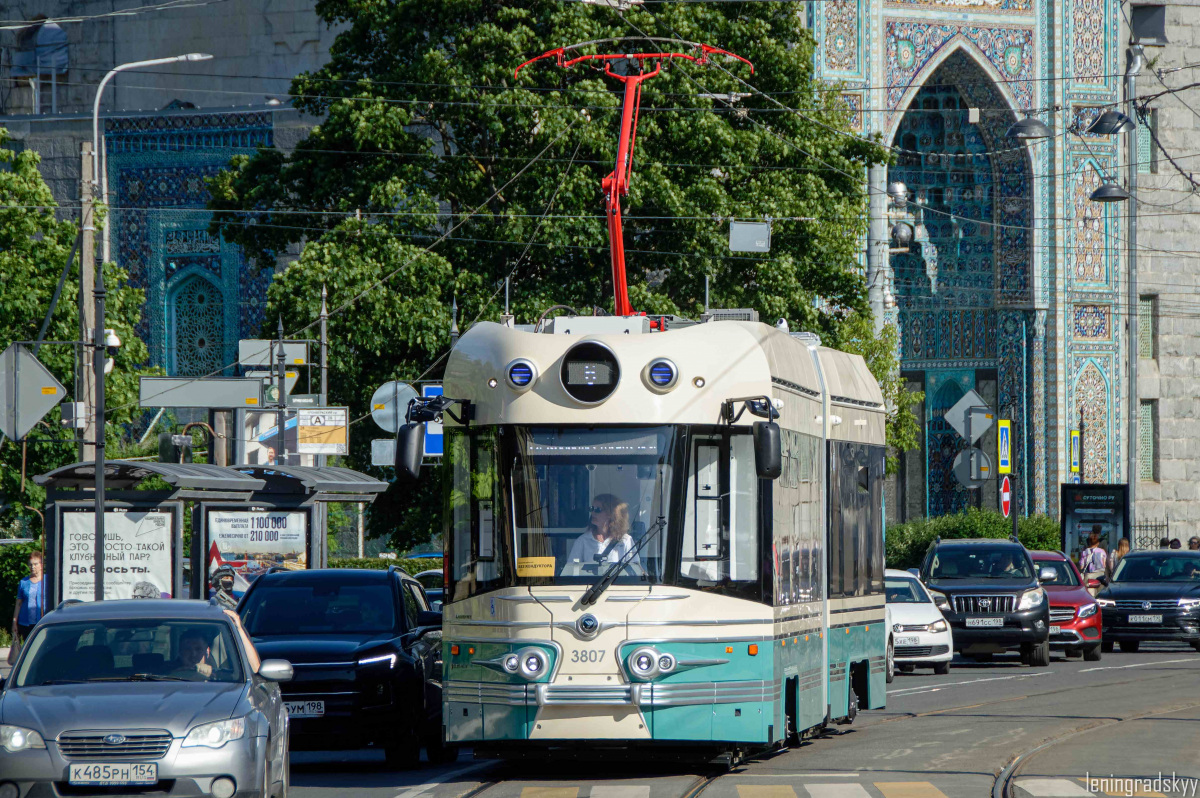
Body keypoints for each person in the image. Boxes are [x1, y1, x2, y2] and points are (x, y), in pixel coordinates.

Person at [562, 493, 636, 572]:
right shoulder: (583, 540)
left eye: (598, 510)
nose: (593, 513)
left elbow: (634, 570)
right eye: (592, 509)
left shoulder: (626, 540)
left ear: (611, 514)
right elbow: (571, 570)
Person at [11, 550, 45, 647]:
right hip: (25, 623)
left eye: (35, 564)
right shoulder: (24, 582)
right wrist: (14, 622)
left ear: (41, 565)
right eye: (30, 565)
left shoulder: (47, 580)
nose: (32, 567)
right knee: (28, 647)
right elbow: (18, 603)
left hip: (42, 621)